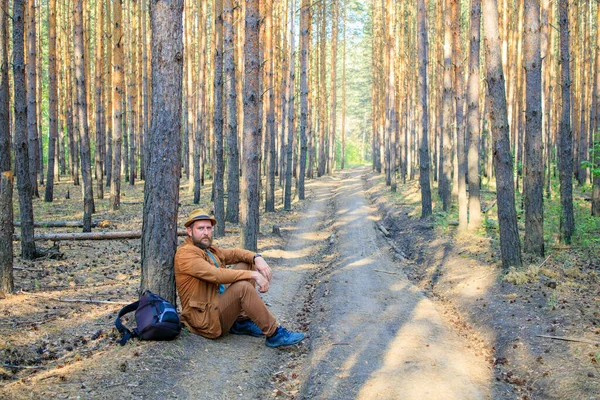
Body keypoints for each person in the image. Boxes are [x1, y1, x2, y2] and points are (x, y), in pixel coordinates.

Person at [174, 209, 306, 348]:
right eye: (200, 228)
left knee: (246, 263)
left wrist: (256, 257)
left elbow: (234, 253)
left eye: (208, 228)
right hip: (205, 320)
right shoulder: (186, 254)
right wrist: (254, 275)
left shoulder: (208, 249)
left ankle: (240, 322)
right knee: (243, 287)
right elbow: (216, 274)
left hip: (215, 304)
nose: (206, 232)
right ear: (190, 231)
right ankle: (275, 334)